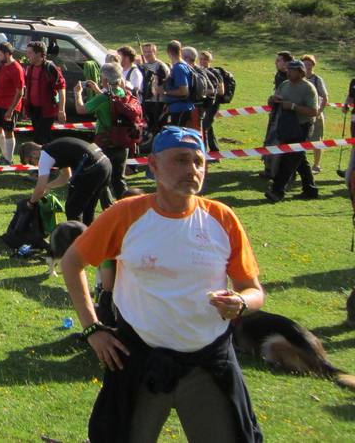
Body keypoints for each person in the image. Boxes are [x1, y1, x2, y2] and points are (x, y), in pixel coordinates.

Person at [61, 125, 265, 442]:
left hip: (209, 362)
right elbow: (72, 262)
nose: (191, 170)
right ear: (153, 165)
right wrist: (92, 329)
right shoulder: (126, 214)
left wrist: (240, 303)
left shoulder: (222, 219)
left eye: (198, 161)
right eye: (180, 160)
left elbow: (253, 291)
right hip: (139, 358)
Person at [74, 62, 133, 204]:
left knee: (103, 178)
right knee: (119, 179)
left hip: (105, 142)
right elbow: (111, 101)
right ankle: (127, 205)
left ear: (105, 79)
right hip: (122, 142)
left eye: (101, 77)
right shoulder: (124, 93)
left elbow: (81, 110)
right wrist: (96, 89)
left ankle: (109, 208)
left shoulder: (102, 98)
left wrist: (77, 94)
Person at [266, 59, 320, 203]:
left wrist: (293, 107)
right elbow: (272, 101)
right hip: (286, 126)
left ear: (300, 72)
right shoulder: (284, 85)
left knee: (289, 159)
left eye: (292, 70)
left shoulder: (308, 88)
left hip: (302, 127)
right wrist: (272, 100)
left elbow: (314, 111)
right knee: (299, 158)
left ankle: (277, 191)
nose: (288, 72)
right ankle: (310, 189)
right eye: (288, 69)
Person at [29, 134, 111, 225]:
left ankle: (76, 237)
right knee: (88, 209)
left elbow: (40, 188)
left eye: (30, 162)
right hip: (105, 164)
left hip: (92, 168)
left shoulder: (45, 155)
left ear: (34, 153)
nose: (35, 165)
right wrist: (49, 186)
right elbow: (66, 176)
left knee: (73, 209)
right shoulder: (56, 148)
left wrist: (31, 203)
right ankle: (89, 237)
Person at [23, 41, 66, 149]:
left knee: (41, 139)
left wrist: (61, 110)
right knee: (40, 137)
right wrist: (25, 105)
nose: (27, 55)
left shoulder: (50, 68)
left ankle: (46, 161)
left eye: (30, 53)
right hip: (34, 109)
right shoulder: (30, 68)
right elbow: (28, 87)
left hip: (47, 110)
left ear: (39, 54)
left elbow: (62, 88)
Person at [0, 41, 25, 165]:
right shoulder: (2, 65)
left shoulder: (17, 68)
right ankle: (4, 155)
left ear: (7, 54)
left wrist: (11, 109)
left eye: (0, 55)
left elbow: (20, 91)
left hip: (9, 105)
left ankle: (8, 158)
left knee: (8, 131)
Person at [301, 55, 328, 175]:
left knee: (317, 140)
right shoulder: (299, 79)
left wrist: (319, 112)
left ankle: (316, 165)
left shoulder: (317, 79)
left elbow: (325, 97)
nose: (307, 66)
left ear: (313, 65)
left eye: (309, 64)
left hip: (316, 115)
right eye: (305, 64)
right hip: (301, 115)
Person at [163, 40, 197, 129]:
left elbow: (184, 91)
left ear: (168, 52)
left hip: (180, 109)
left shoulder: (179, 68)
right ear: (180, 51)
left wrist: (166, 92)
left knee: (178, 137)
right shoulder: (185, 65)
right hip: (182, 108)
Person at [138, 42, 169, 136]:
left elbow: (165, 84)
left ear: (155, 52)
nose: (147, 54)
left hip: (159, 101)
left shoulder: (161, 66)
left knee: (158, 127)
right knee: (149, 126)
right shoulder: (143, 66)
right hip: (147, 100)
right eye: (145, 52)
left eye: (149, 52)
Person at [198, 50, 222, 153]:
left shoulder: (215, 72)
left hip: (213, 103)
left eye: (205, 59)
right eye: (201, 59)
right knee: (208, 126)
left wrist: (210, 92)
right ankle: (214, 149)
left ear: (210, 60)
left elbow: (221, 91)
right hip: (202, 103)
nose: (203, 61)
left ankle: (204, 152)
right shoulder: (197, 71)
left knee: (204, 126)